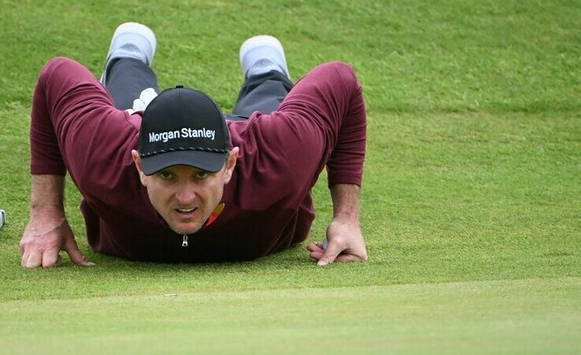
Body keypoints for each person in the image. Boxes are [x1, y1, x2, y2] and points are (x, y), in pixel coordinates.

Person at [20, 22, 368, 267]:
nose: (185, 198)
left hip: (248, 136)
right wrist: (45, 214)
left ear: (230, 164)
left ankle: (266, 68)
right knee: (130, 92)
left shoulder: (277, 155)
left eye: (201, 174)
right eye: (167, 175)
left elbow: (342, 81)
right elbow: (55, 76)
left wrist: (347, 218)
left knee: (270, 93)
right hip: (140, 122)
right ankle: (128, 53)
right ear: (139, 165)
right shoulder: (104, 154)